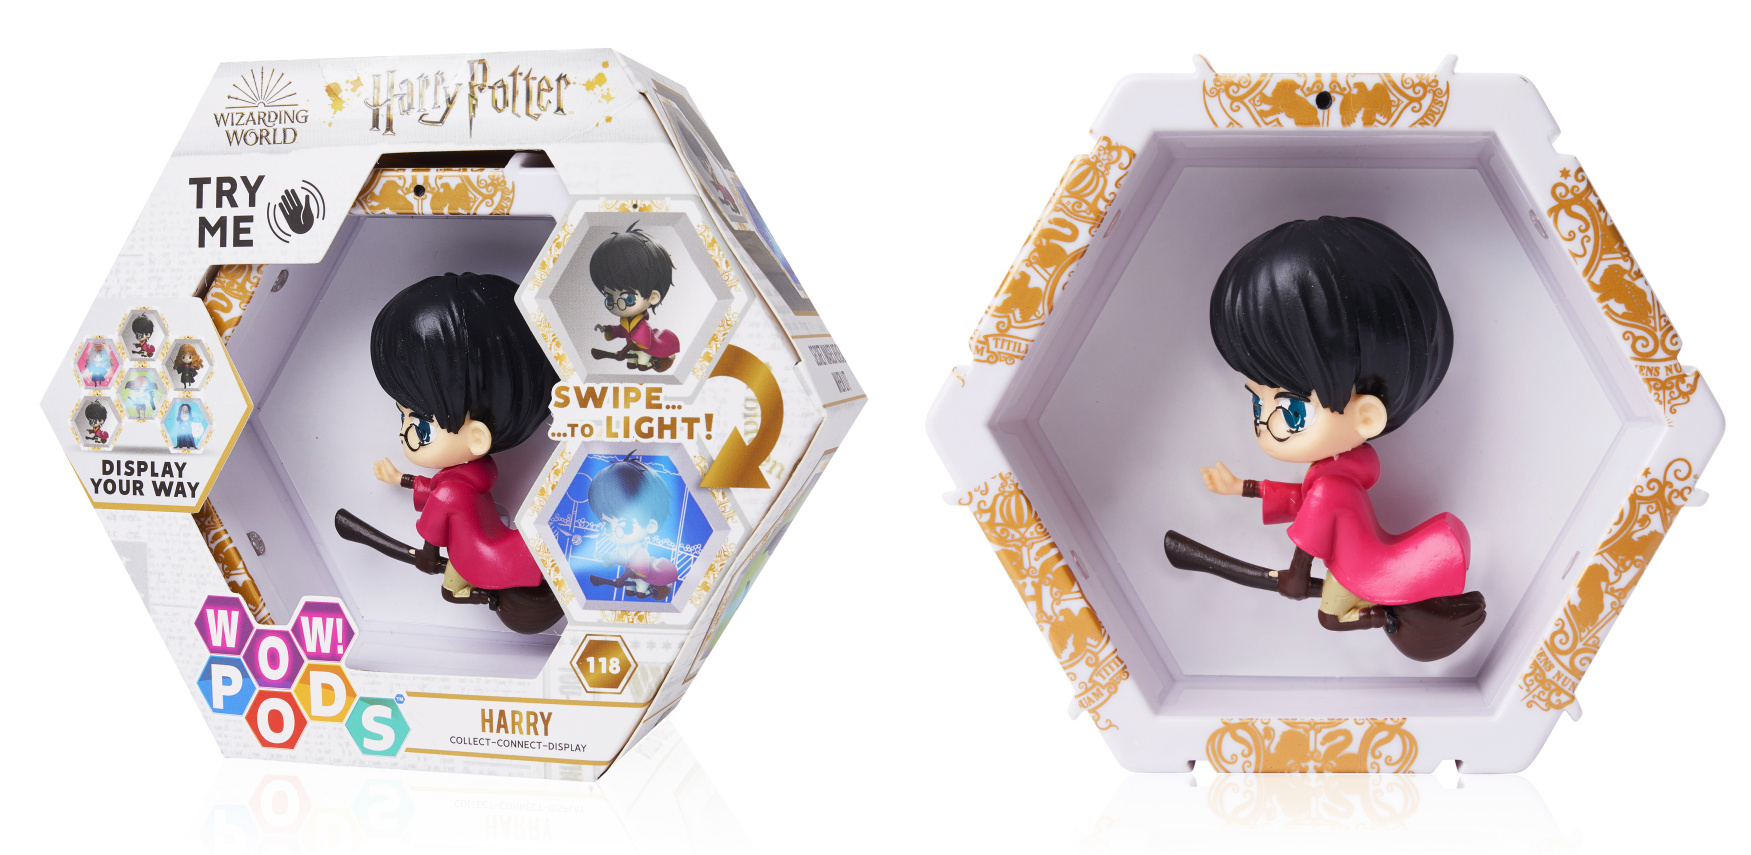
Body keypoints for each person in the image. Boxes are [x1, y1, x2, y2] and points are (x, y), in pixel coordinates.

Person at [1196, 217, 1471, 632]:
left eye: (1292, 411)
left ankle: (1380, 617)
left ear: (1366, 416)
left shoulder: (1334, 486)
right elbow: (1303, 501)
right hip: (1355, 558)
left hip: (1357, 568)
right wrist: (1242, 487)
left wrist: (1296, 575)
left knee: (1330, 618)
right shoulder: (1337, 476)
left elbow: (1309, 531)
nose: (1266, 425)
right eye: (1257, 403)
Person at [369, 272, 564, 635]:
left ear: (476, 438)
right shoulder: (471, 477)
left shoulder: (454, 490)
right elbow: (439, 490)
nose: (404, 433)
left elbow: (434, 529)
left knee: (450, 591)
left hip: (476, 555)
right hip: (482, 543)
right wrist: (400, 479)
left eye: (420, 425)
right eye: (403, 416)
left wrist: (428, 556)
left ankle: (486, 597)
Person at [584, 453, 679, 600]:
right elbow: (622, 558)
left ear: (651, 525)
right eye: (607, 524)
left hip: (644, 577)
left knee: (640, 594)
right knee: (629, 592)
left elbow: (636, 568)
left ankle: (650, 591)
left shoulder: (641, 552)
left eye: (625, 525)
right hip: (631, 576)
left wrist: (621, 579)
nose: (615, 531)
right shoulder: (625, 547)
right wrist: (610, 558)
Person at [589, 223, 681, 372]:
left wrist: (623, 351)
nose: (617, 305)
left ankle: (653, 363)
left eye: (628, 299)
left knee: (642, 367)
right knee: (631, 365)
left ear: (653, 297)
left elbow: (638, 341)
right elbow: (622, 331)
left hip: (646, 350)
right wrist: (608, 329)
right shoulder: (627, 321)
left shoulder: (643, 326)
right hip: (632, 350)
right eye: (610, 298)